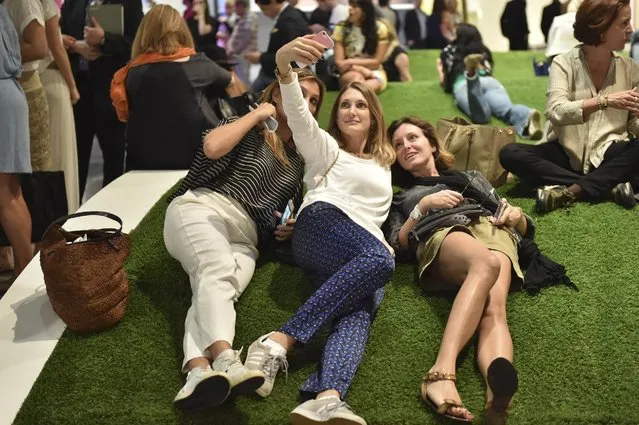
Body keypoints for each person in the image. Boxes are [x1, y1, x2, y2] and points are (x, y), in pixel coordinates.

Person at [242, 37, 395, 425]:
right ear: (336, 115)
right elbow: (297, 113)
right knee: (382, 258)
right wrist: (284, 69)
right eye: (345, 104)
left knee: (357, 313)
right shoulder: (326, 148)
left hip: (357, 252)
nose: (352, 109)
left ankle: (325, 397)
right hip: (323, 226)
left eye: (361, 104)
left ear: (374, 115)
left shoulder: (384, 164)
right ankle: (281, 339)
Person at [163, 67, 326, 411]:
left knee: (217, 290)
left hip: (248, 239)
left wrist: (288, 227)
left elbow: (282, 213)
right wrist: (258, 114)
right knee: (215, 270)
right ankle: (226, 360)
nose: (306, 104)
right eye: (301, 94)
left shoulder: (297, 161)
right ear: (278, 94)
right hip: (203, 207)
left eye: (314, 101)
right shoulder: (246, 125)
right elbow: (211, 146)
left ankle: (197, 373)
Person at [385, 116, 530, 424]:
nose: (406, 146)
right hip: (442, 230)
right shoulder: (401, 194)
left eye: (413, 138)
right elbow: (398, 243)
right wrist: (422, 207)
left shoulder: (472, 176)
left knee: (495, 309)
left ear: (432, 144)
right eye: (398, 145)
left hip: (490, 229)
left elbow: (524, 225)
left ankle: (496, 401)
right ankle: (442, 371)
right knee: (484, 263)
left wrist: (516, 216)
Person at [500, 0, 639, 213]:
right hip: (566, 152)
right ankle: (605, 187)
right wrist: (605, 101)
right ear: (601, 27)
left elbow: (633, 127)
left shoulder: (630, 69)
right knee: (510, 153)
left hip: (608, 153)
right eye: (624, 23)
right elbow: (555, 111)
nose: (631, 29)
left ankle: (569, 190)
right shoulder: (563, 64)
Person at [110, 4, 232, 171]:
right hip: (198, 162)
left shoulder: (130, 74)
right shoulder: (199, 66)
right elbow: (232, 83)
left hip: (142, 161)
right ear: (182, 31)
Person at [60, 0, 143, 199]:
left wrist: (105, 39)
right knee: (74, 165)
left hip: (112, 95)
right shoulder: (74, 2)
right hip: (76, 94)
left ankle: (110, 221)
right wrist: (74, 47)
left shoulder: (128, 3)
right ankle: (71, 220)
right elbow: (59, 33)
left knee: (114, 164)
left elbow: (137, 44)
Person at [437, 23, 543, 139]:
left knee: (481, 117)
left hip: (464, 85)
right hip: (490, 82)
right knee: (506, 110)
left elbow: (445, 82)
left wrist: (440, 69)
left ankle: (471, 74)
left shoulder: (450, 51)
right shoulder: (484, 51)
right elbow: (490, 71)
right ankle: (527, 114)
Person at [0, 0, 33, 288]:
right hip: (10, 92)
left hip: (2, 95)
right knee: (11, 190)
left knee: (5, 193)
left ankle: (26, 271)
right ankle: (25, 268)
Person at [39, 0, 80, 213]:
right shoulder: (45, 3)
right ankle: (63, 213)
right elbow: (55, 46)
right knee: (61, 153)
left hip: (38, 80)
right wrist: (73, 86)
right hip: (53, 80)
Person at [5, 0, 51, 172]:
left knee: (32, 171)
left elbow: (39, 48)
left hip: (26, 90)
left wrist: (4, 53)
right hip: (17, 89)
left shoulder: (23, 2)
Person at [333, 0, 412, 94]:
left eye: (354, 7)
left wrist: (350, 61)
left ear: (365, 10)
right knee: (356, 81)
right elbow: (340, 63)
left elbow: (376, 61)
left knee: (367, 88)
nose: (350, 9)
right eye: (350, 6)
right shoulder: (341, 28)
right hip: (350, 71)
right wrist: (360, 69)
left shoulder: (380, 29)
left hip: (375, 72)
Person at [245, 0, 309, 92]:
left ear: (273, 2)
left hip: (278, 75)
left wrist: (260, 58)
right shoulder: (290, 15)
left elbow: (291, 55)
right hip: (278, 72)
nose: (264, 13)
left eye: (264, 9)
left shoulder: (289, 20)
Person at [226, 0, 258, 85]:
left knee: (244, 79)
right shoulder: (241, 18)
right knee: (240, 78)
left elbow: (245, 38)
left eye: (235, 7)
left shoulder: (250, 17)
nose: (234, 9)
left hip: (244, 54)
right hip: (238, 54)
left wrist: (233, 51)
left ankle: (246, 96)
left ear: (241, 6)